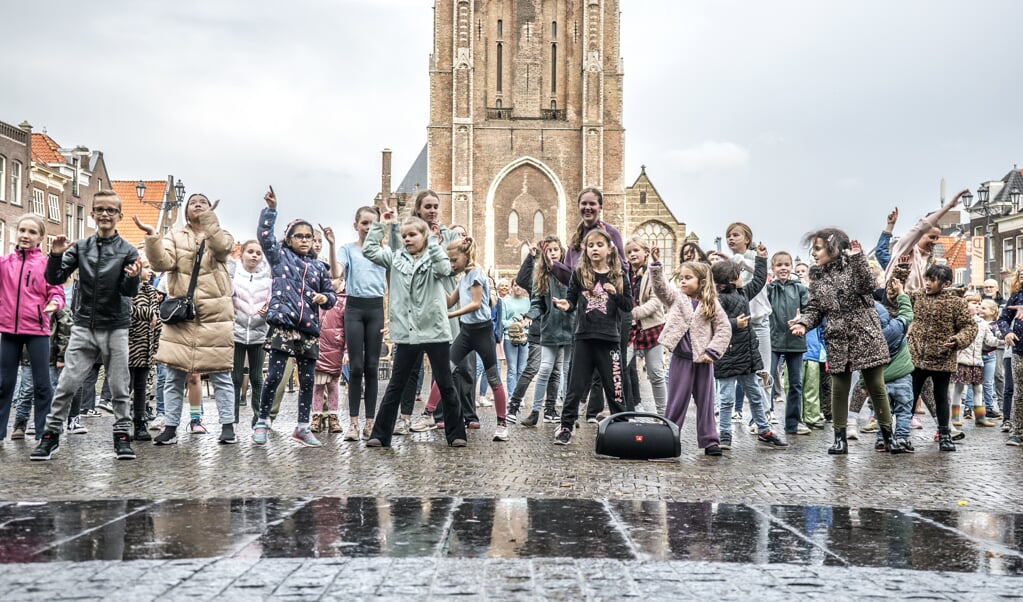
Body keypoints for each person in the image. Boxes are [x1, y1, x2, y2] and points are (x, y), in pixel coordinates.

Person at [32, 191, 142, 461]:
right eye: (100, 209)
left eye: (111, 210)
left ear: (119, 216)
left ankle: (122, 437)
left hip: (115, 326)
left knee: (118, 387)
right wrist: (56, 255)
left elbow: (129, 292)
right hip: (84, 326)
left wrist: (134, 277)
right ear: (92, 214)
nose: (105, 214)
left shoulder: (127, 250)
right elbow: (54, 277)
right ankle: (51, 435)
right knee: (67, 385)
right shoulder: (81, 247)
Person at [364, 204, 466, 447]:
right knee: (396, 384)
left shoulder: (434, 256)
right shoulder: (395, 257)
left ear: (424, 236)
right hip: (407, 332)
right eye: (405, 236)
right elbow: (369, 251)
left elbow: (445, 270)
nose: (408, 239)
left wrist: (433, 244)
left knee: (445, 383)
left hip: (434, 329)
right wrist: (382, 225)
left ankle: (457, 434)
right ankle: (380, 435)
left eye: (413, 235)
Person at [140, 193, 237, 446]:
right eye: (193, 202)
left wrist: (209, 221)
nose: (197, 204)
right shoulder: (174, 235)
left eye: (203, 202)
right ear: (185, 210)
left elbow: (221, 249)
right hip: (182, 315)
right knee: (173, 375)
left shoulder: (221, 233)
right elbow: (163, 262)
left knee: (221, 375)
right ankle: (170, 427)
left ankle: (228, 427)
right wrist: (152, 237)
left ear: (210, 208)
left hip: (215, 315)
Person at [790, 229, 898, 455]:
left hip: (864, 332)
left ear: (834, 248)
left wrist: (858, 257)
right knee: (839, 388)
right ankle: (840, 439)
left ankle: (889, 436)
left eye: (818, 248)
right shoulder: (818, 275)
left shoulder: (854, 265)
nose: (814, 254)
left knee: (875, 386)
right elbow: (816, 307)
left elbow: (867, 286)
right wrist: (803, 323)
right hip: (838, 336)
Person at [252, 187, 337, 447]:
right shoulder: (280, 259)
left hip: (309, 329)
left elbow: (331, 295)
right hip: (284, 325)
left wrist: (325, 299)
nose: (304, 240)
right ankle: (262, 421)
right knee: (275, 375)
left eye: (308, 237)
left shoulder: (319, 267)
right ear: (288, 239)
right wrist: (271, 211)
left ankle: (302, 426)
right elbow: (264, 237)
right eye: (298, 236)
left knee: (308, 380)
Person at [412, 237, 512, 442]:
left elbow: (476, 304)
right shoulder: (463, 278)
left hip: (482, 333)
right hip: (466, 332)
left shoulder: (475, 274)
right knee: (444, 371)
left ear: (467, 256)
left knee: (493, 379)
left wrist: (451, 316)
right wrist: (436, 281)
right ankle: (429, 414)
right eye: (449, 260)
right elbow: (450, 301)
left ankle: (502, 424)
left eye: (454, 259)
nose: (452, 264)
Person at [551, 228, 633, 446]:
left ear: (609, 249)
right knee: (575, 387)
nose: (594, 249)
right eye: (590, 245)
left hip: (609, 340)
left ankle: (621, 426)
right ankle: (566, 426)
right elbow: (571, 302)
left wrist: (615, 293)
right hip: (584, 338)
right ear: (585, 250)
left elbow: (628, 306)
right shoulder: (580, 274)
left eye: (599, 245)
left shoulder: (619, 275)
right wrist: (564, 304)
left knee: (615, 388)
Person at [649, 252, 730, 455]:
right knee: (676, 401)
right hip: (681, 359)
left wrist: (712, 351)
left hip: (704, 360)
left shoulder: (712, 304)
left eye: (688, 278)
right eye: (682, 278)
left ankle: (710, 441)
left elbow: (724, 328)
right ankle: (668, 438)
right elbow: (660, 289)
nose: (683, 281)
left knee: (706, 401)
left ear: (701, 282)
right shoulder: (677, 298)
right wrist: (656, 266)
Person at [711, 245, 788, 450]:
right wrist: (736, 323)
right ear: (730, 279)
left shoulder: (743, 293)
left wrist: (762, 258)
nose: (741, 278)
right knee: (726, 398)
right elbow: (714, 324)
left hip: (745, 354)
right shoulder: (717, 299)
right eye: (738, 275)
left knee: (755, 393)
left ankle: (764, 430)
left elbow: (759, 280)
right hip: (727, 355)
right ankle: (725, 434)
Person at [0, 214, 66, 442]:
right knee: (3, 384)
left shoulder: (45, 265)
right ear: (16, 233)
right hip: (9, 331)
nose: (26, 236)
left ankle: (43, 434)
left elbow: (56, 290)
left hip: (37, 331)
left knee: (42, 384)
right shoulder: (4, 263)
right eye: (22, 231)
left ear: (41, 238)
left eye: (31, 232)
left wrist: (55, 302)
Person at [905, 265, 977, 451]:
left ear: (946, 284)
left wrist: (957, 340)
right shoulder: (918, 296)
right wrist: (901, 271)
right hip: (917, 357)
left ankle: (945, 435)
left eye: (932, 280)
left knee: (941, 398)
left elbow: (970, 327)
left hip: (942, 358)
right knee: (910, 398)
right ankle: (903, 435)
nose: (927, 283)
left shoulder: (956, 303)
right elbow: (893, 296)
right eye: (926, 279)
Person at [337, 207, 388, 436]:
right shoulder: (347, 250)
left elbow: (394, 284)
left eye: (372, 224)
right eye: (364, 223)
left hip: (376, 307)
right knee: (356, 367)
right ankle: (353, 422)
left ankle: (370, 422)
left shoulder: (384, 251)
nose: (368, 228)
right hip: (354, 307)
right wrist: (329, 246)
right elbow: (337, 272)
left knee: (372, 367)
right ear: (356, 225)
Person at [520, 236, 574, 427]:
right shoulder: (541, 276)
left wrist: (569, 308)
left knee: (567, 371)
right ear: (545, 254)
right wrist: (529, 316)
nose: (552, 253)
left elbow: (577, 300)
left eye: (555, 249)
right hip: (550, 330)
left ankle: (569, 414)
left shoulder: (569, 274)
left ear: (561, 251)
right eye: (549, 250)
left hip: (569, 329)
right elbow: (537, 304)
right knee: (544, 369)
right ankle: (535, 411)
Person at [766, 250, 811, 435]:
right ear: (773, 268)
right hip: (773, 340)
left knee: (795, 383)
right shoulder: (769, 289)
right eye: (779, 265)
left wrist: (802, 321)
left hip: (795, 339)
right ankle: (763, 419)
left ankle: (792, 423)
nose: (783, 268)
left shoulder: (800, 288)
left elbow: (810, 310)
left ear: (791, 267)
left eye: (786, 265)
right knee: (767, 381)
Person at [230, 240, 272, 428]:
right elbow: (226, 300)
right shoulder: (234, 276)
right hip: (236, 333)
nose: (254, 255)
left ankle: (259, 418)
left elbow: (273, 302)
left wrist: (268, 311)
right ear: (242, 254)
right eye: (250, 252)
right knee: (236, 377)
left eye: (258, 253)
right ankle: (231, 419)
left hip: (258, 333)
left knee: (257, 377)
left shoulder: (267, 280)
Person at [624, 236, 667, 415]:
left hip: (651, 328)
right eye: (629, 252)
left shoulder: (652, 272)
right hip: (629, 330)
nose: (632, 254)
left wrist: (633, 313)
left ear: (646, 252)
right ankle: (624, 409)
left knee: (656, 373)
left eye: (636, 250)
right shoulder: (623, 274)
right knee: (620, 369)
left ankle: (663, 414)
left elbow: (656, 300)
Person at [949, 292, 999, 429]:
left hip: (977, 362)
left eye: (978, 303)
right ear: (965, 304)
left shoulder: (983, 323)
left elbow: (989, 340)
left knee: (978, 389)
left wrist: (1001, 340)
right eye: (973, 303)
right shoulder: (959, 321)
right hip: (962, 361)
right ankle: (954, 418)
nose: (977, 306)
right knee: (959, 389)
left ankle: (980, 418)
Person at [127, 256, 160, 441]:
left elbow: (157, 316)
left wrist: (155, 343)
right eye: (146, 267)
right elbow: (127, 309)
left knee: (141, 388)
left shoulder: (151, 290)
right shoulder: (127, 288)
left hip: (146, 347)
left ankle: (140, 422)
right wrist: (149, 315)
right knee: (125, 387)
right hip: (129, 346)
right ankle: (123, 423)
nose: (150, 271)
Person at [315, 286, 348, 437]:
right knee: (318, 385)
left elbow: (348, 327)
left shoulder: (343, 300)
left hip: (335, 348)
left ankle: (333, 416)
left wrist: (347, 350)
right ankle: (317, 416)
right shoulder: (314, 296)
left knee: (333, 385)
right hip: (317, 347)